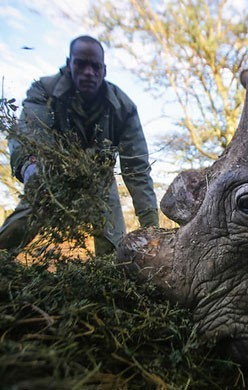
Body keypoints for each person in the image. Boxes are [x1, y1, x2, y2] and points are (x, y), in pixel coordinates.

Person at [0, 35, 159, 256]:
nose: (88, 72)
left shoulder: (123, 108)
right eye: (81, 64)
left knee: (114, 247)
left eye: (95, 66)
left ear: (104, 70)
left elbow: (137, 169)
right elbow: (28, 136)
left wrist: (151, 225)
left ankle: (107, 279)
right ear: (69, 64)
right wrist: (33, 168)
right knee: (32, 207)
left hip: (99, 176)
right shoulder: (44, 91)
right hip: (50, 169)